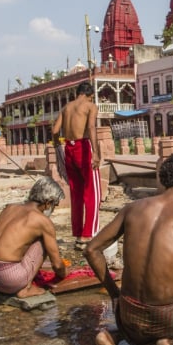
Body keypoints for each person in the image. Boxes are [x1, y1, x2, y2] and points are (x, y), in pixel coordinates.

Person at [85, 151, 173, 345]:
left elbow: (91, 249)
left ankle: (112, 337)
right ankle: (167, 338)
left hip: (126, 313)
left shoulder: (132, 208)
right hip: (165, 318)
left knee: (140, 317)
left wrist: (114, 295)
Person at [0, 176, 67, 298]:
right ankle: (25, 289)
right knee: (44, 240)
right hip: (9, 280)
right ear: (48, 203)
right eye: (55, 205)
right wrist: (64, 274)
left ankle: (15, 283)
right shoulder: (42, 221)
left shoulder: (9, 208)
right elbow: (57, 265)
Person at [52, 81, 102, 250]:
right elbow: (91, 127)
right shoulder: (90, 105)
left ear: (77, 93)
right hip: (84, 147)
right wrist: (96, 153)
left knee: (77, 194)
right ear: (89, 94)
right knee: (92, 193)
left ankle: (79, 234)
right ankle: (88, 235)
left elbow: (54, 130)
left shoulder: (66, 108)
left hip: (69, 148)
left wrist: (56, 146)